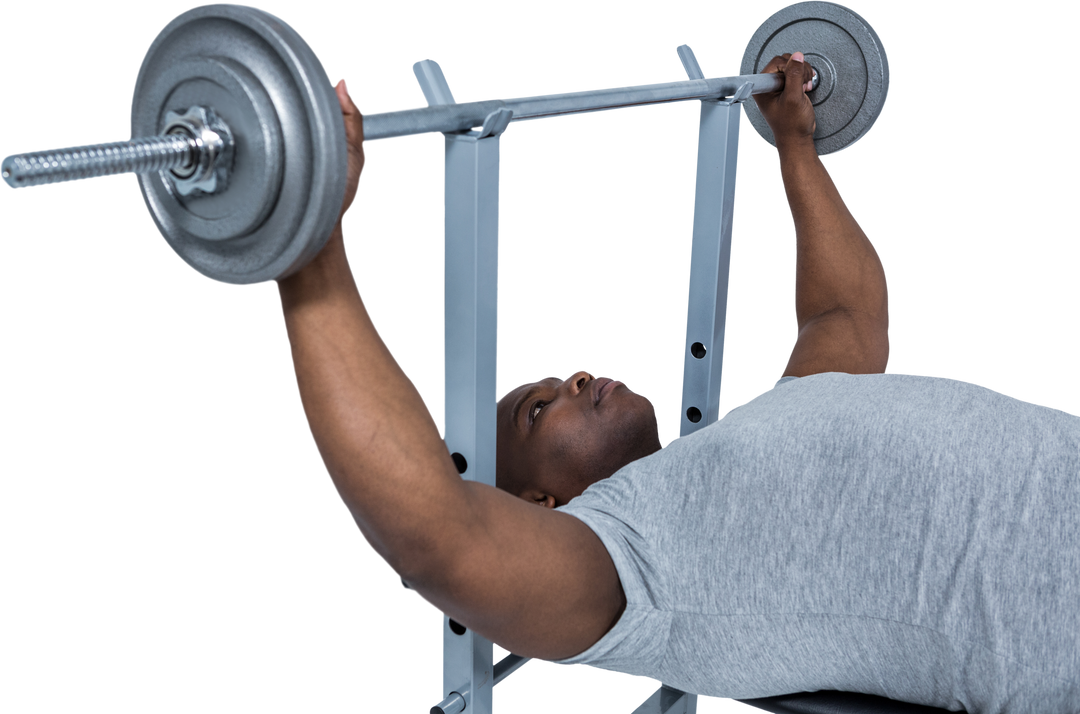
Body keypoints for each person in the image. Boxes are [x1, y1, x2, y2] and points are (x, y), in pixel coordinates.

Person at [274, 57, 1078, 713]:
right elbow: (437, 539)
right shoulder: (630, 563)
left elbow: (845, 315)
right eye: (538, 410)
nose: (577, 373)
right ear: (538, 509)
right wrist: (308, 237)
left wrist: (793, 141)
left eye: (557, 375)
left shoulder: (746, 437)